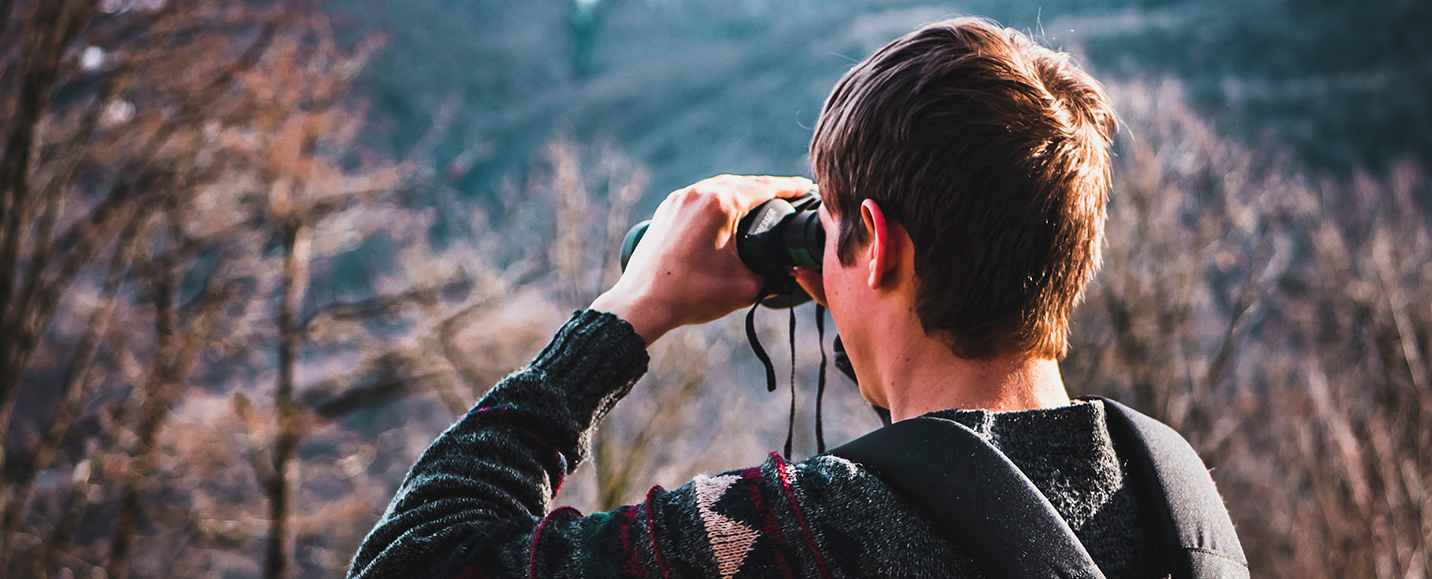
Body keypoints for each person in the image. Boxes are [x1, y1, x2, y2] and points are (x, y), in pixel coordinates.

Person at [350, 17, 1225, 579]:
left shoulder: (808, 530)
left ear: (875, 243)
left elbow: (411, 559)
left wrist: (629, 309)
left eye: (828, 227)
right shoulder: (1177, 498)